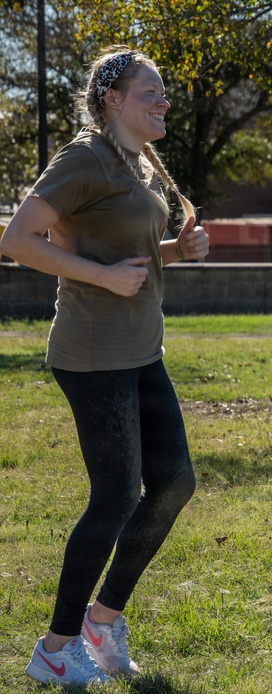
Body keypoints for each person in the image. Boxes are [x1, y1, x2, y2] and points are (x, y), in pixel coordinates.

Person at [0, 46, 208, 686]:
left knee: (174, 483)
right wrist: (101, 277)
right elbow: (17, 240)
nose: (163, 101)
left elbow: (128, 256)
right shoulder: (84, 158)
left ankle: (102, 619)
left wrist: (176, 250)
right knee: (116, 495)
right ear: (111, 99)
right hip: (93, 354)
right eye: (151, 91)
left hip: (141, 349)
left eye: (164, 91)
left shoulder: (136, 162)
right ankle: (55, 649)